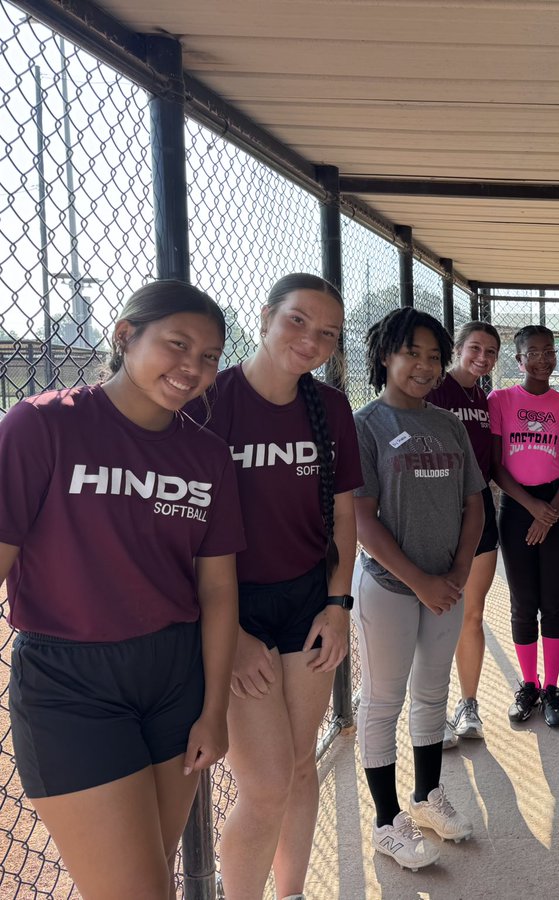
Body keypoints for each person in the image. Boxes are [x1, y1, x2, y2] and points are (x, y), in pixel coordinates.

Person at [0, 281, 242, 899]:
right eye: (177, 344)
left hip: (172, 677)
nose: (192, 366)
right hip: (70, 680)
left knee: (151, 878)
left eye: (210, 356)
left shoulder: (206, 455)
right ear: (126, 335)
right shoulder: (43, 424)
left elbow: (217, 589)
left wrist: (213, 710)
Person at [189, 273, 361, 900]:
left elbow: (344, 515)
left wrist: (339, 606)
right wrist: (227, 633)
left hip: (309, 601)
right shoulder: (209, 400)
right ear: (264, 318)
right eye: (297, 321)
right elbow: (178, 528)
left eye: (326, 333)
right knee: (264, 786)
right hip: (229, 606)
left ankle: (289, 892)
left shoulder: (330, 408)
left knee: (298, 765)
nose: (311, 340)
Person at [353, 308, 485, 871]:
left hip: (447, 587)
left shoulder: (449, 424)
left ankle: (427, 797)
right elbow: (361, 518)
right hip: (391, 586)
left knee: (433, 694)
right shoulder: (366, 425)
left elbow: (474, 503)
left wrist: (455, 573)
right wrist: (421, 581)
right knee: (384, 699)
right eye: (413, 354)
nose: (426, 367)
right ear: (386, 355)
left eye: (435, 356)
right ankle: (388, 822)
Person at [489, 325, 559, 727]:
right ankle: (528, 684)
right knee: (523, 601)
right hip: (517, 506)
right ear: (519, 360)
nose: (544, 358)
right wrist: (533, 508)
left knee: (553, 600)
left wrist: (550, 511)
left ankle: (551, 687)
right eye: (535, 352)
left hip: (557, 505)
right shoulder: (501, 400)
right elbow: (497, 464)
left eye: (550, 352)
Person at [427, 321, 502, 745]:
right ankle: (433, 710)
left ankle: (467, 705)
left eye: (490, 351)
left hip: (478, 509)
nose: (483, 357)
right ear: (457, 349)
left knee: (472, 613)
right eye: (475, 348)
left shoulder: (483, 398)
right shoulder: (436, 390)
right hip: (438, 510)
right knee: (435, 614)